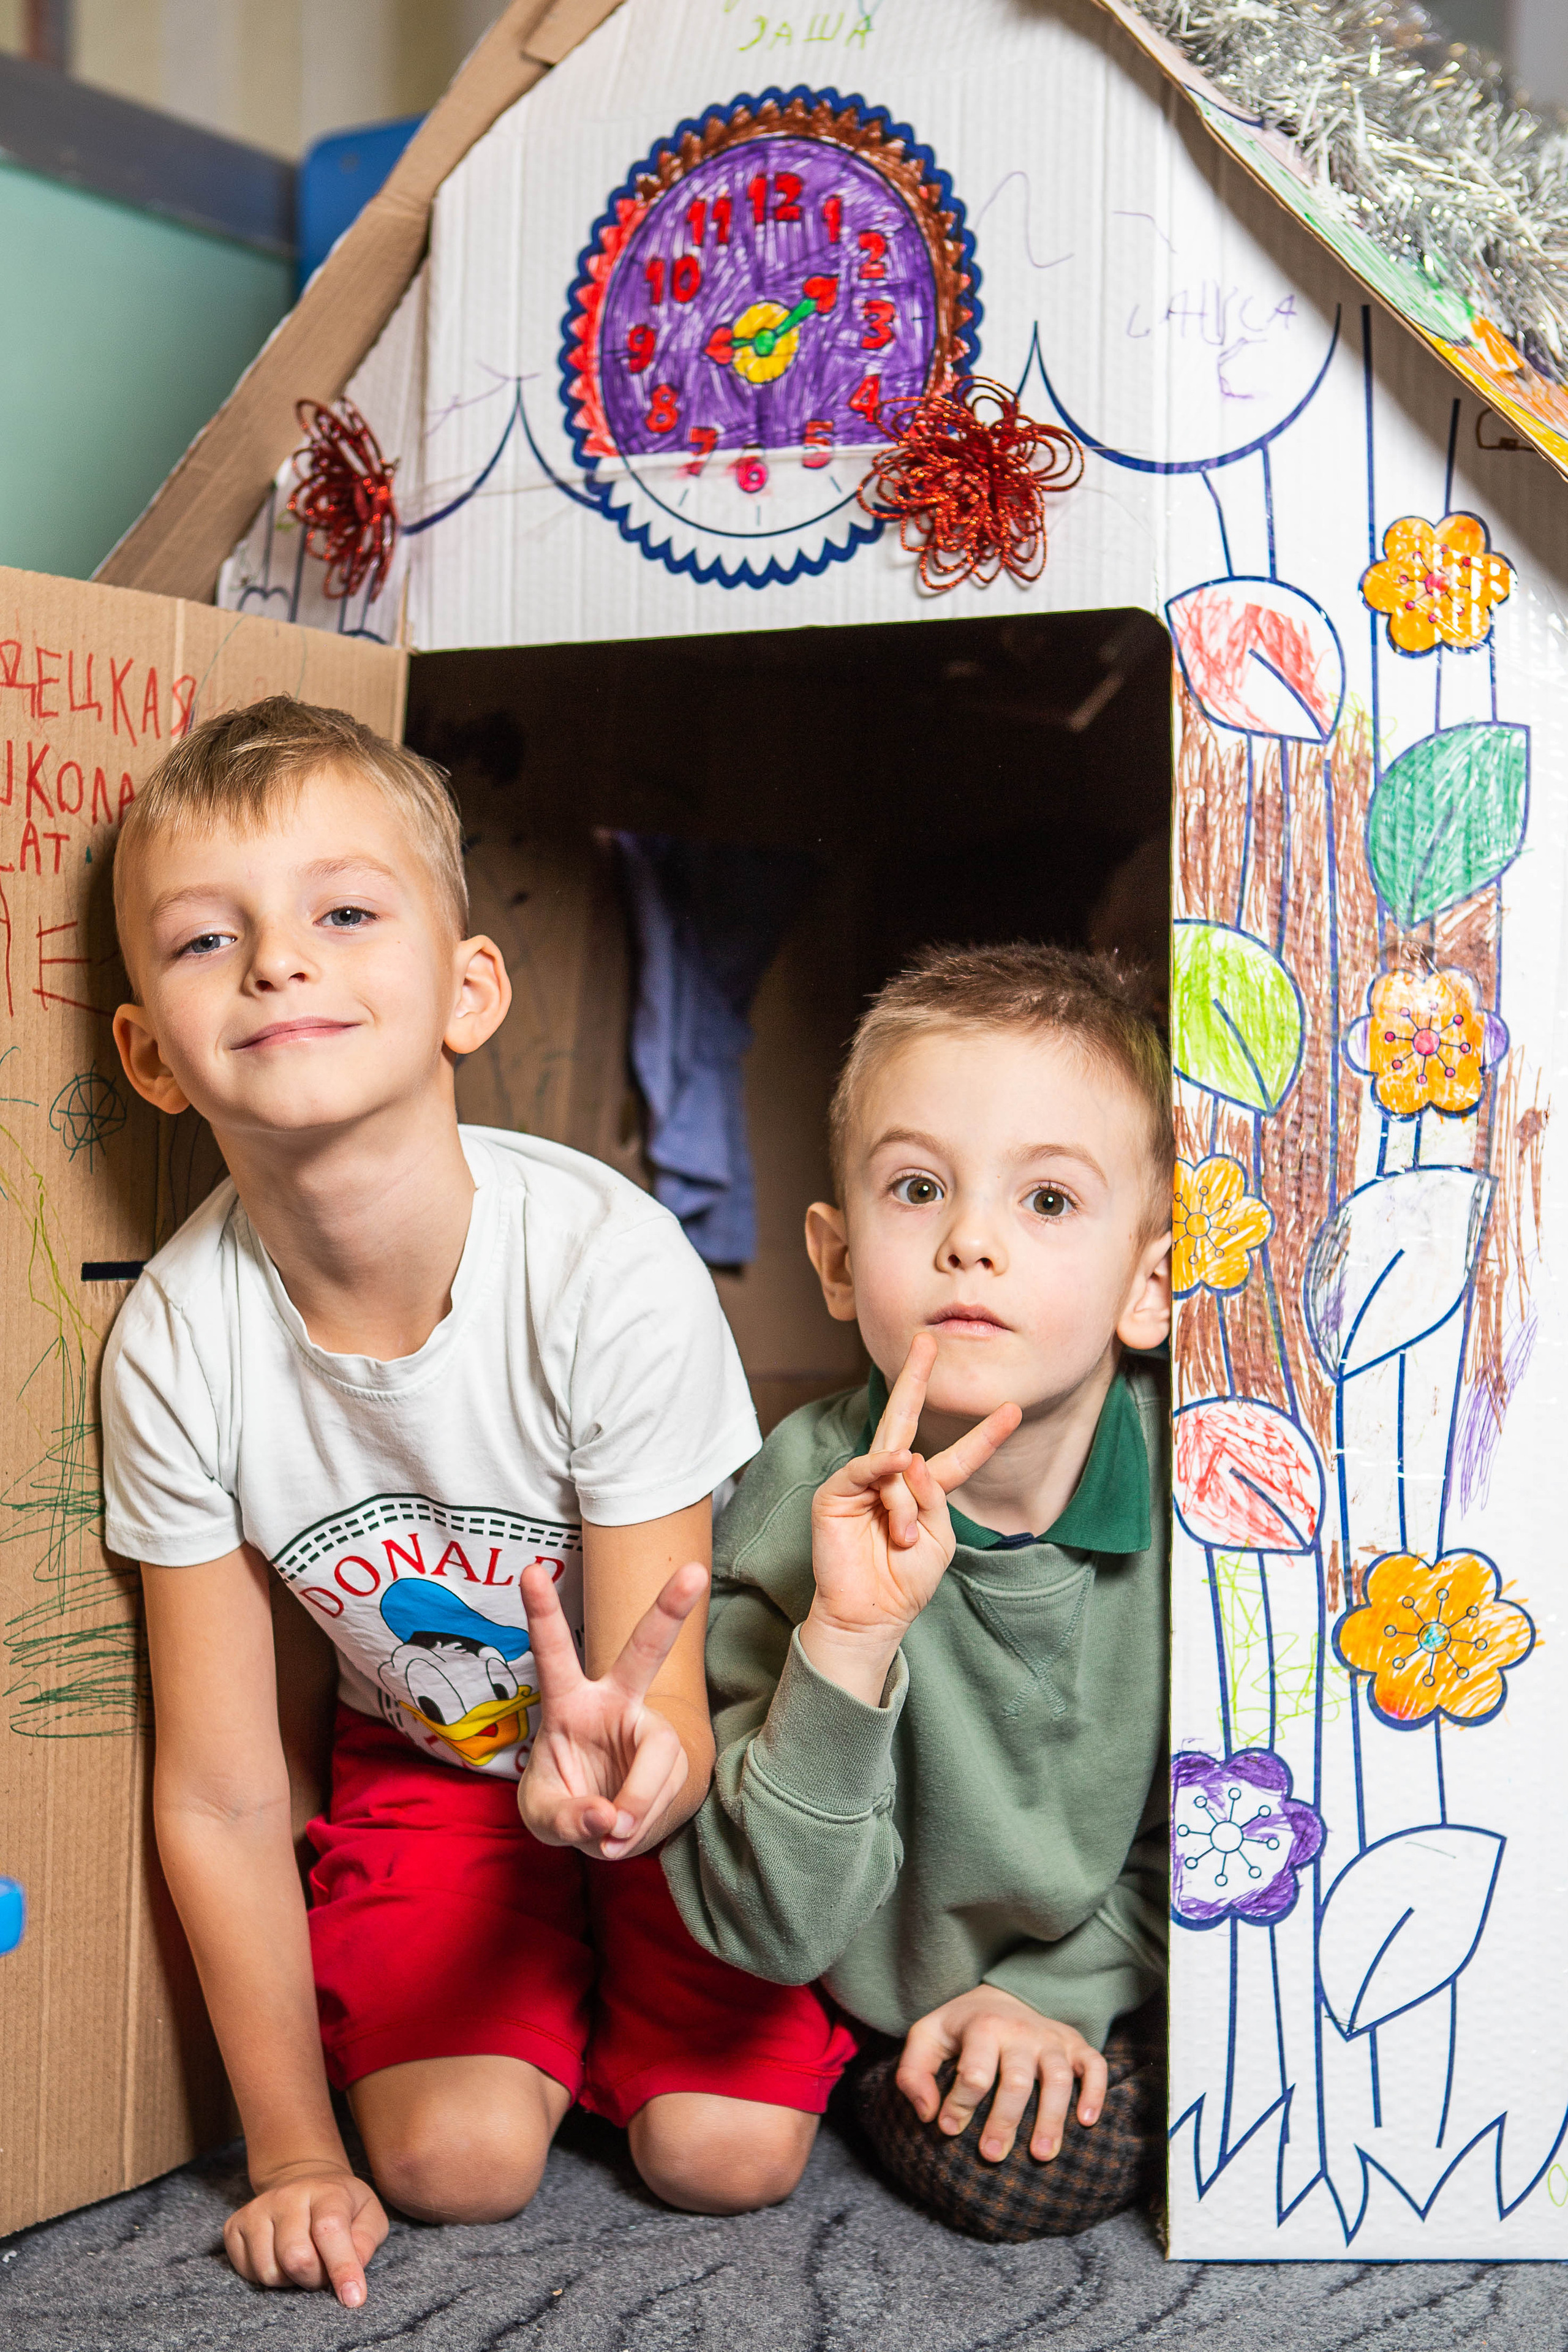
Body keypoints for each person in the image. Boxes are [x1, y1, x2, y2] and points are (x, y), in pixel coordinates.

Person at [100, 698, 855, 2310]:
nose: (278, 964)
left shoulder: (606, 1264)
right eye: (207, 938)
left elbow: (665, 1693)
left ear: (468, 989)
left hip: (659, 1759)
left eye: (344, 913)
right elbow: (222, 1791)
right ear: (151, 1053)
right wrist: (290, 2154)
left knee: (727, 2155)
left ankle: (617, 1998)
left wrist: (633, 1784)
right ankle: (528, 2026)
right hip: (430, 1757)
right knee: (452, 2168)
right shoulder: (176, 1340)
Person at [658, 943, 1174, 2242]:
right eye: (917, 1188)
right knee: (1005, 2166)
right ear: (836, 1263)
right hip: (857, 1968)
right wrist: (850, 1634)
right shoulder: (789, 1510)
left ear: (1149, 1284)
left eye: (1046, 1200)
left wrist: (1060, 1991)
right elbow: (767, 1923)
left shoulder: (1209, 1496)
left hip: (1106, 1948)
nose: (970, 1243)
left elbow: (1224, 1823)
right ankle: (883, 2072)